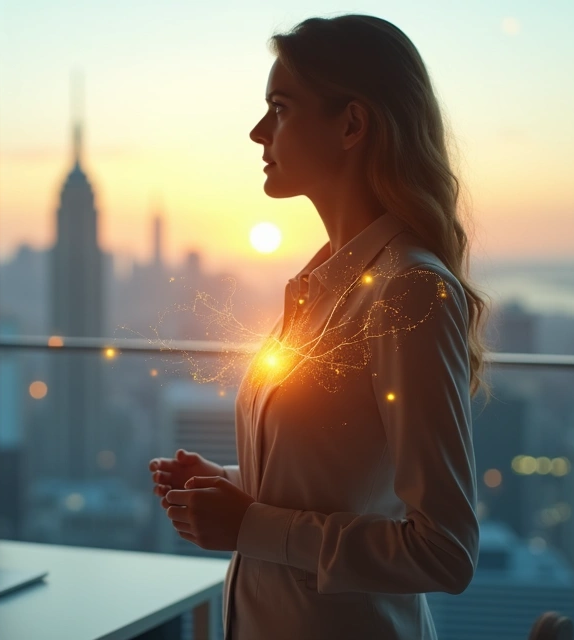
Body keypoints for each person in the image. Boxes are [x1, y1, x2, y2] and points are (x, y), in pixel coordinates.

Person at [148, 14, 487, 639]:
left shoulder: (409, 291)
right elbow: (338, 483)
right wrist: (225, 485)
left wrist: (247, 526)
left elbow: (445, 551)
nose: (257, 132)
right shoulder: (319, 286)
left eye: (279, 107)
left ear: (352, 124)